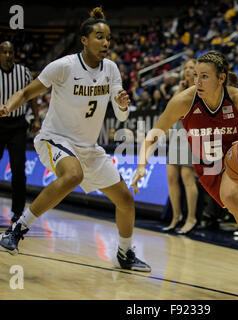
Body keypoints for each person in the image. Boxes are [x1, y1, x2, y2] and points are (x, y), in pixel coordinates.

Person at [132, 50, 238, 283]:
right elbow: (154, 133)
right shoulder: (184, 100)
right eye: (196, 76)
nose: (198, 81)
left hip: (237, 153)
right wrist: (141, 164)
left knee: (232, 195)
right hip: (207, 165)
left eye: (204, 76)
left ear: (221, 78)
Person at [0, 7, 150, 272]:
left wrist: (123, 104)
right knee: (72, 176)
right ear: (84, 39)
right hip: (54, 138)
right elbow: (25, 93)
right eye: (99, 37)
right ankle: (16, 229)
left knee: (125, 199)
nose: (106, 43)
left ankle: (125, 254)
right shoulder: (64, 66)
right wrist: (7, 107)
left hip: (89, 148)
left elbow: (122, 115)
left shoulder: (111, 69)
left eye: (108, 38)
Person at [0, 41, 41, 224]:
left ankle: (18, 212)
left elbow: (31, 96)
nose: (8, 55)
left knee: (18, 169)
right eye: (4, 52)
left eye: (11, 52)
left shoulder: (23, 72)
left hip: (17, 124)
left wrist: (36, 118)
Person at [164, 59, 199, 234]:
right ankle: (175, 216)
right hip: (177, 132)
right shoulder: (181, 89)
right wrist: (180, 88)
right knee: (171, 176)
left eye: (191, 68)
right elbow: (171, 109)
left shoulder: (202, 89)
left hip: (192, 133)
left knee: (187, 176)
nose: (187, 70)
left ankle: (191, 217)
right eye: (185, 68)